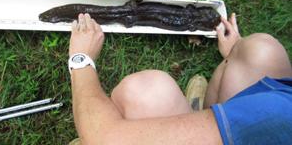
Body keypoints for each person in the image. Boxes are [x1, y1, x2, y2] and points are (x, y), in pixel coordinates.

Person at [67, 13, 292, 145]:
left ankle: (197, 128)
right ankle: (201, 121)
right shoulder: (280, 108)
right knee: (261, 50)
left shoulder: (276, 115)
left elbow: (105, 138)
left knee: (146, 91)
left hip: (265, 126)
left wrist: (81, 59)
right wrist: (236, 52)